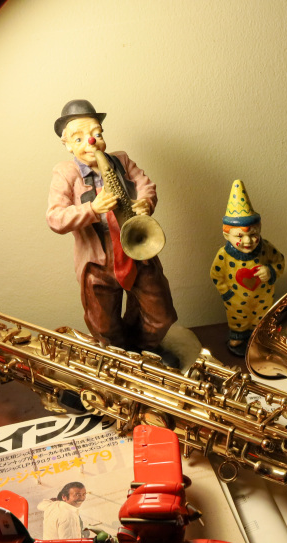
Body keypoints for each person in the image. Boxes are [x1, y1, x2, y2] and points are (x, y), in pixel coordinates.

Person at [47, 99, 177, 354]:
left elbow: (146, 186)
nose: (91, 142)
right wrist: (91, 209)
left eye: (97, 134)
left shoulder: (122, 160)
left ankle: (146, 353)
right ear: (67, 144)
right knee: (104, 325)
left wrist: (145, 203)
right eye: (79, 138)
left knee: (160, 314)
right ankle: (119, 359)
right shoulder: (65, 173)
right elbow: (55, 218)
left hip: (138, 249)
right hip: (99, 260)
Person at [210, 180, 285, 356]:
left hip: (263, 297)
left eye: (253, 234)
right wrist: (226, 293)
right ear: (226, 235)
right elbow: (216, 274)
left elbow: (279, 261)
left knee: (262, 317)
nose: (247, 241)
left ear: (259, 230)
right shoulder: (224, 255)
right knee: (238, 318)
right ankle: (238, 336)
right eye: (239, 236)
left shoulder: (266, 248)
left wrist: (271, 271)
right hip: (236, 299)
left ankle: (258, 336)